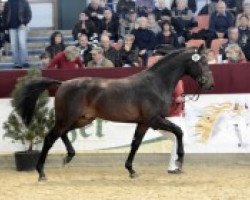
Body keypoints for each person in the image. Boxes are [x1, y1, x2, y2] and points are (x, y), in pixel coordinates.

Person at [147, 52, 185, 173]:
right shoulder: (166, 81)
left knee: (179, 139)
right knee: (177, 138)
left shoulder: (174, 80)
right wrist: (177, 99)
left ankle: (175, 165)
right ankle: (173, 166)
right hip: (168, 115)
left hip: (172, 115)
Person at [3, 0, 32, 68]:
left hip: (21, 26)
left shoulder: (24, 2)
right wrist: (6, 26)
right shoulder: (7, 3)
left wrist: (24, 23)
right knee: (13, 46)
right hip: (11, 27)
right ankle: (17, 63)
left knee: (22, 44)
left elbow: (29, 14)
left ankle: (24, 62)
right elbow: (5, 15)